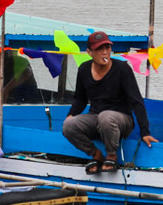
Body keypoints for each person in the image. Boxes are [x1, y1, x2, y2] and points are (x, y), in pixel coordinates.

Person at [61, 30, 156, 173]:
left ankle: (112, 156)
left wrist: (145, 132)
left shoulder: (122, 69)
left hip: (121, 120)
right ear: (90, 52)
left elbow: (136, 101)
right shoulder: (84, 69)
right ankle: (96, 155)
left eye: (107, 48)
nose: (104, 52)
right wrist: (71, 114)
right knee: (68, 125)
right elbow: (80, 99)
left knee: (105, 117)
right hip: (96, 118)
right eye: (99, 49)